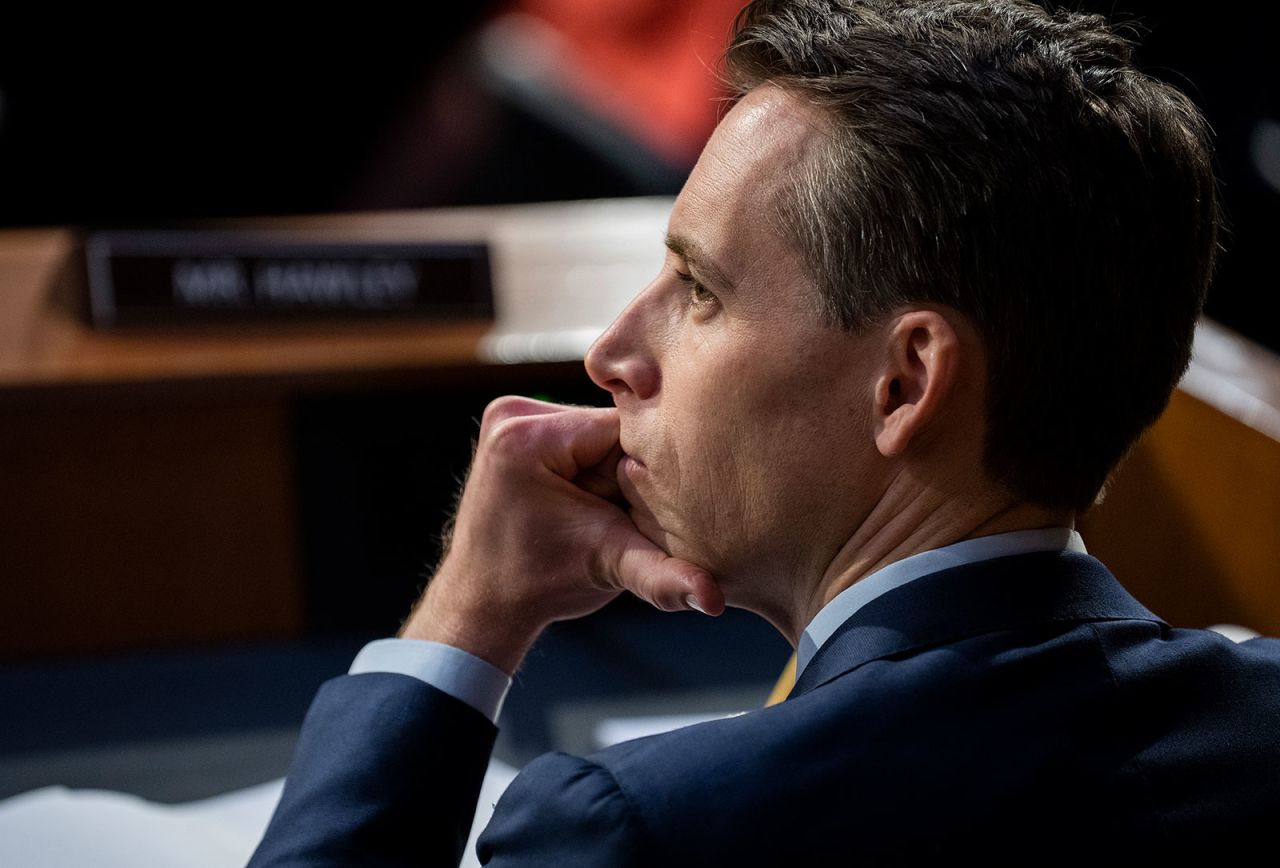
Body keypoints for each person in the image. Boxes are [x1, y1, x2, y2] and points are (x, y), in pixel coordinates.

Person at [249, 1, 1280, 864]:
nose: (610, 352)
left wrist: (465, 618)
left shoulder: (640, 828)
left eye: (696, 288)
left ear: (904, 383)